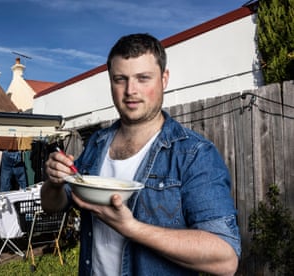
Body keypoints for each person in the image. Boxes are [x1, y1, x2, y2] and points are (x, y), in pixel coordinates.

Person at [40, 33, 241, 275]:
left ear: (164, 79)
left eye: (143, 78)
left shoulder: (193, 154)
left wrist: (131, 228)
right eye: (120, 79)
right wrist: (54, 183)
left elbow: (225, 259)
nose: (130, 91)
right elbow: (53, 205)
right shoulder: (97, 143)